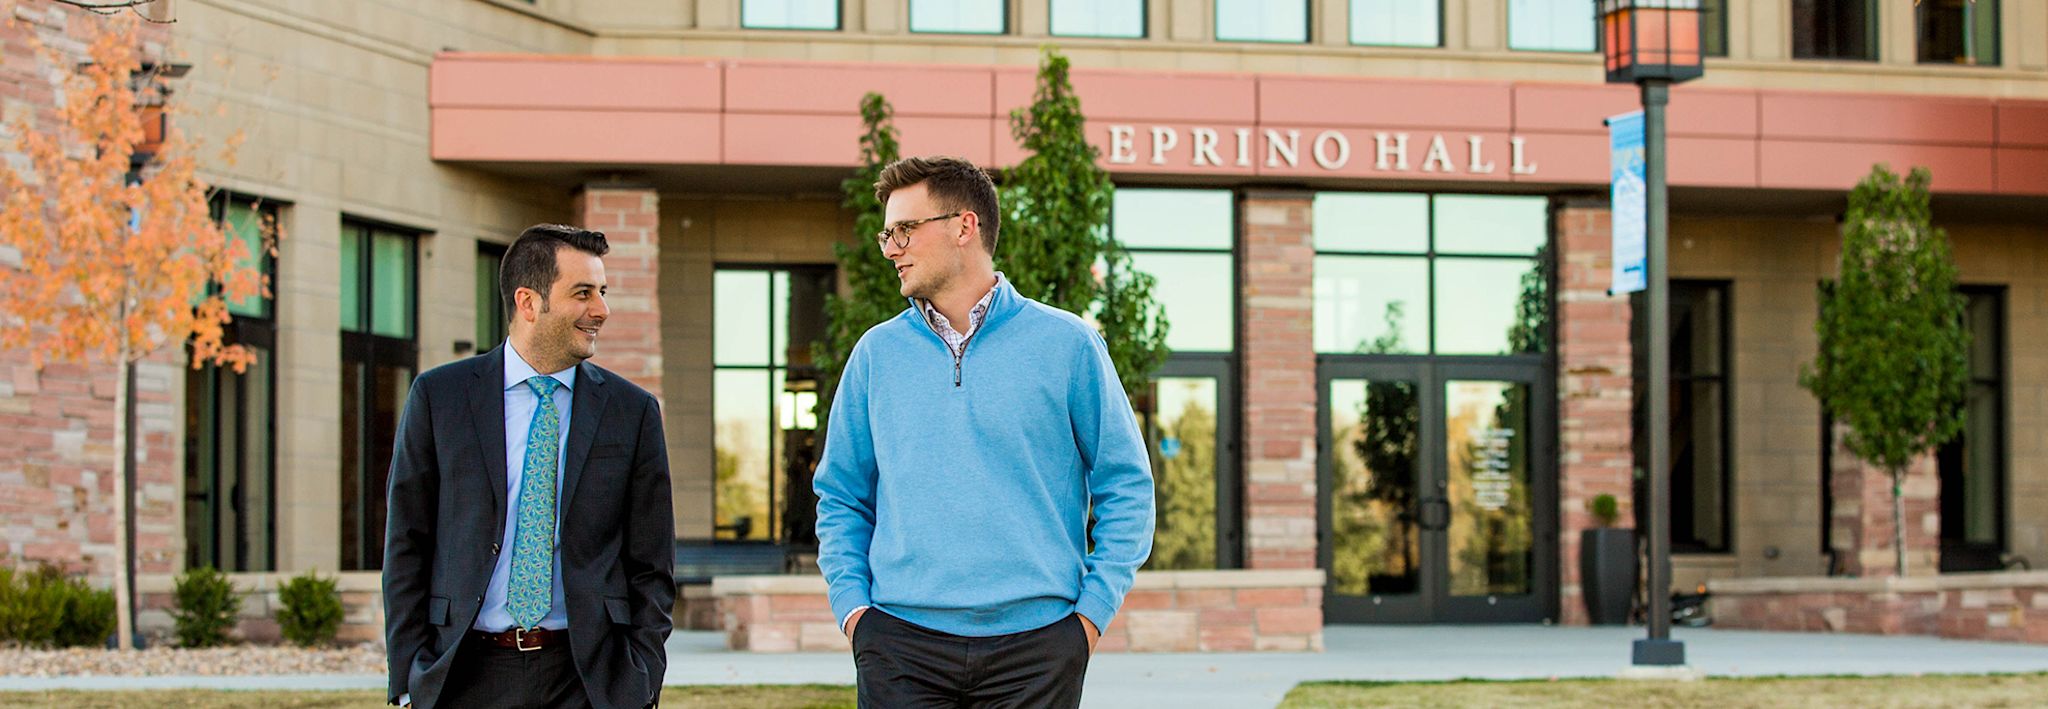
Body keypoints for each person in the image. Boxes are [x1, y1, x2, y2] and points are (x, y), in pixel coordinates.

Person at [814, 156, 1155, 708]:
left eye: (904, 230)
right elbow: (841, 496)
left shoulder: (1068, 345)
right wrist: (856, 614)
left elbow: (1128, 486)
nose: (890, 248)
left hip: (1037, 652)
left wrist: (1088, 620)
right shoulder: (877, 354)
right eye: (886, 233)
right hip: (900, 646)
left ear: (963, 227)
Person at [383, 224, 675, 709]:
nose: (601, 310)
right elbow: (407, 544)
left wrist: (640, 680)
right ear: (528, 302)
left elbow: (653, 563)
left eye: (602, 292)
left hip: (587, 679)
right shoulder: (440, 397)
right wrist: (408, 677)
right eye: (583, 293)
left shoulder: (632, 412)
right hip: (462, 675)